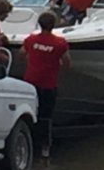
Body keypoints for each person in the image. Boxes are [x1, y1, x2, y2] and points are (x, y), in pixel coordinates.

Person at [21, 11, 71, 158]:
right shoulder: (60, 43)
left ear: (39, 24)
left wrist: (32, 59)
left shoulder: (31, 40)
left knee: (30, 113)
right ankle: (45, 148)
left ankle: (28, 143)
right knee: (46, 116)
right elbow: (67, 62)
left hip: (30, 82)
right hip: (48, 84)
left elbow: (21, 54)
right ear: (54, 25)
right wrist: (57, 63)